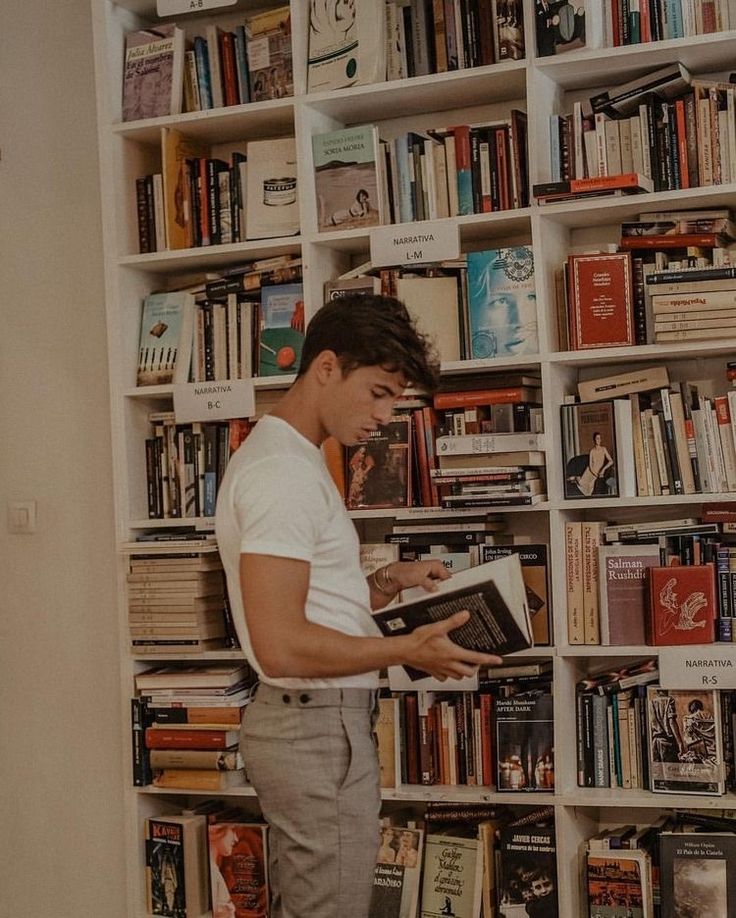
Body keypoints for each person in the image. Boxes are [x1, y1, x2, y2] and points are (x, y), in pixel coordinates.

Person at [215, 294, 502, 918]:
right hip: (312, 725)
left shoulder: (295, 461)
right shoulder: (282, 476)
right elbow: (280, 644)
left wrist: (386, 583)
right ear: (325, 367)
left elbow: (311, 609)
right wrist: (405, 649)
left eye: (395, 399)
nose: (385, 415)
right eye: (376, 392)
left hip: (318, 722)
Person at [208, 825, 239, 918]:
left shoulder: (214, 869)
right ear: (217, 831)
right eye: (232, 830)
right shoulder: (211, 872)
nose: (236, 839)